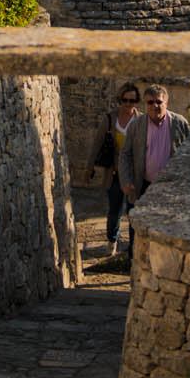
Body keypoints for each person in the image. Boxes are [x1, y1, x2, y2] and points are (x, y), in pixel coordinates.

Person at [118, 84, 190, 261]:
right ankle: (134, 265)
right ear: (145, 104)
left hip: (169, 188)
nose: (154, 106)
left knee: (168, 228)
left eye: (159, 102)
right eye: (150, 102)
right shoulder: (136, 126)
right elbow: (125, 154)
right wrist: (126, 180)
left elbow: (189, 155)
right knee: (137, 230)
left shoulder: (180, 123)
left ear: (166, 102)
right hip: (143, 186)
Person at [85, 84, 141, 257]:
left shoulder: (141, 121)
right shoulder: (110, 119)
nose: (128, 104)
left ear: (136, 101)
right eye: (125, 100)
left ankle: (133, 247)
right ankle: (112, 240)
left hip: (133, 175)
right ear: (120, 99)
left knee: (133, 212)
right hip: (115, 173)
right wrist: (89, 167)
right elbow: (97, 143)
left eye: (132, 100)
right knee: (114, 210)